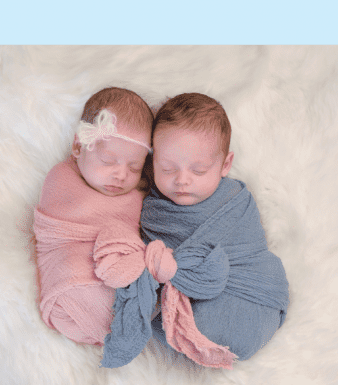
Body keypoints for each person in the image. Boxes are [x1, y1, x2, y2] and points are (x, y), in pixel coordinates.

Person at [102, 93, 289, 368]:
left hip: (254, 288)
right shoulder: (153, 207)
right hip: (200, 302)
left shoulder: (235, 199)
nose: (182, 180)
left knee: (211, 324)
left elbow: (249, 249)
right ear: (153, 163)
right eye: (167, 168)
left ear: (225, 165)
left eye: (199, 170)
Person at [32, 87, 154, 345]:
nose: (121, 175)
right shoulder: (61, 178)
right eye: (108, 161)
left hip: (123, 294)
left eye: (134, 167)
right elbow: (60, 236)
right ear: (78, 145)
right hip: (67, 291)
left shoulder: (140, 195)